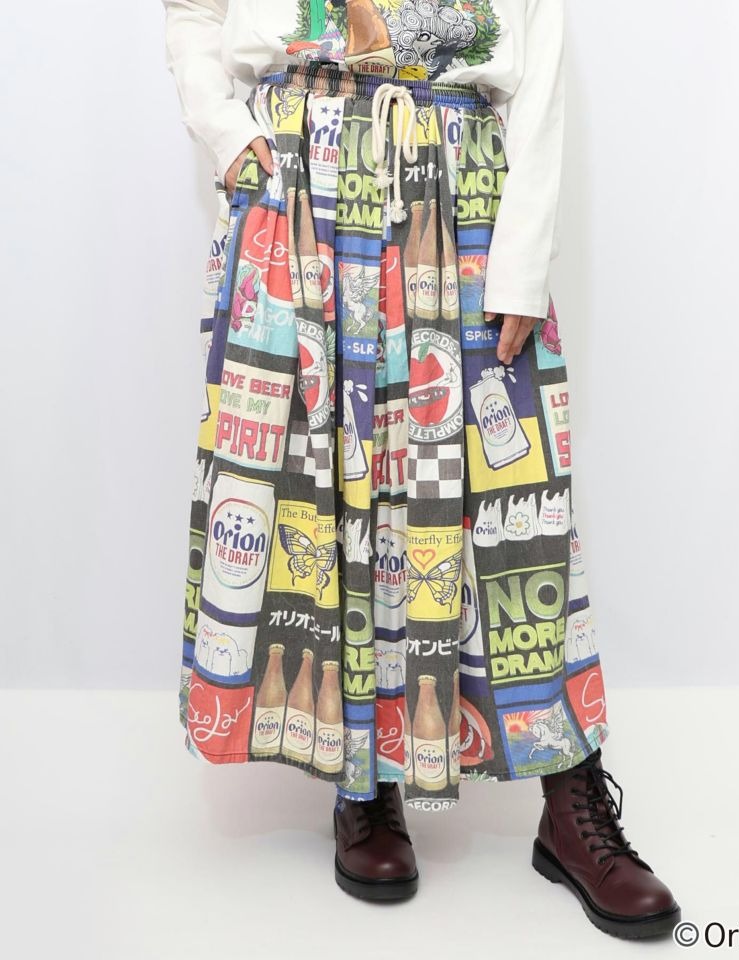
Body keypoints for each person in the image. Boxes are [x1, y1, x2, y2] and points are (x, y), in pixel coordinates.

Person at [163, 0, 681, 938]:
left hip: (459, 183)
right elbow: (196, 10)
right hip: (302, 184)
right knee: (325, 493)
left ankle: (569, 797)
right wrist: (228, 133)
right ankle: (364, 780)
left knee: (513, 500)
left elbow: (539, 52)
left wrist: (522, 258)